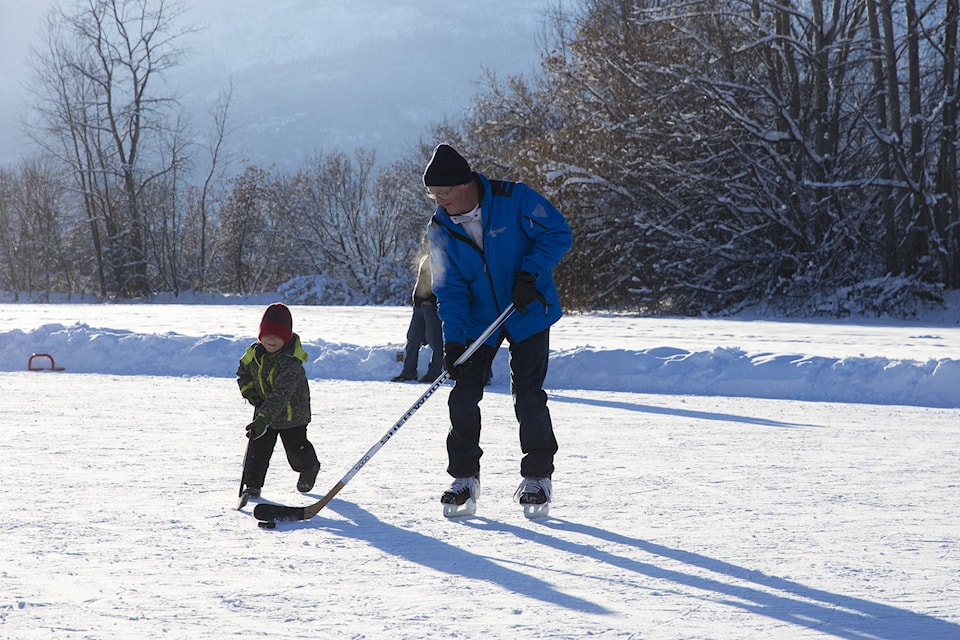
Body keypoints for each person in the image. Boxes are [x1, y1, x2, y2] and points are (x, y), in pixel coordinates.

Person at [423, 143, 573, 518]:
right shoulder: (440, 228)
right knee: (462, 397)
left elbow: (558, 233)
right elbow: (450, 288)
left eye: (443, 194)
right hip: (478, 320)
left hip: (526, 309)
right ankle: (464, 478)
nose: (439, 203)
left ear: (465, 185)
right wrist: (453, 340)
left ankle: (538, 477)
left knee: (527, 394)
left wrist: (530, 274)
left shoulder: (514, 198)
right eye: (433, 196)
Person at [236, 303, 320, 503]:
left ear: (287, 337)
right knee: (257, 449)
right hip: (265, 411)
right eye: (267, 334)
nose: (271, 340)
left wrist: (263, 416)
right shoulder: (254, 354)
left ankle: (309, 467)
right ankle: (252, 485)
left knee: (296, 451)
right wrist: (253, 396)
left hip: (292, 414)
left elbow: (281, 395)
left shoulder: (291, 363)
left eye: (278, 335)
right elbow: (242, 374)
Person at [392, 237, 444, 383]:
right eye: (424, 243)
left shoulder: (440, 259)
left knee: (435, 341)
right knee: (412, 339)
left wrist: (431, 300)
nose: (425, 245)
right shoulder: (425, 259)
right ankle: (408, 372)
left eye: (427, 242)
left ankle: (435, 372)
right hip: (419, 307)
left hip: (431, 307)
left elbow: (442, 283)